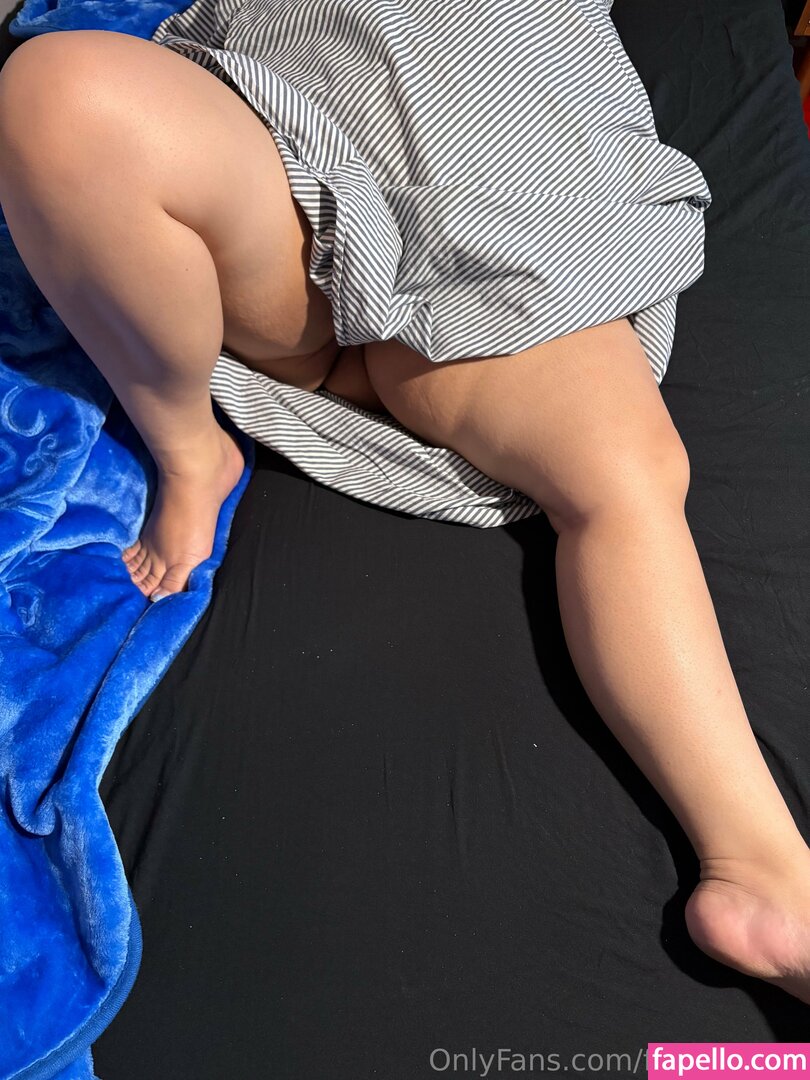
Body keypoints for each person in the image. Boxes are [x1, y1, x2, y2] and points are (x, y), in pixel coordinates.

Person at [1, 4, 809, 1015]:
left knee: (629, 480)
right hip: (304, 143)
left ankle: (762, 870)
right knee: (59, 94)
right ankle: (189, 449)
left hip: (520, 183)